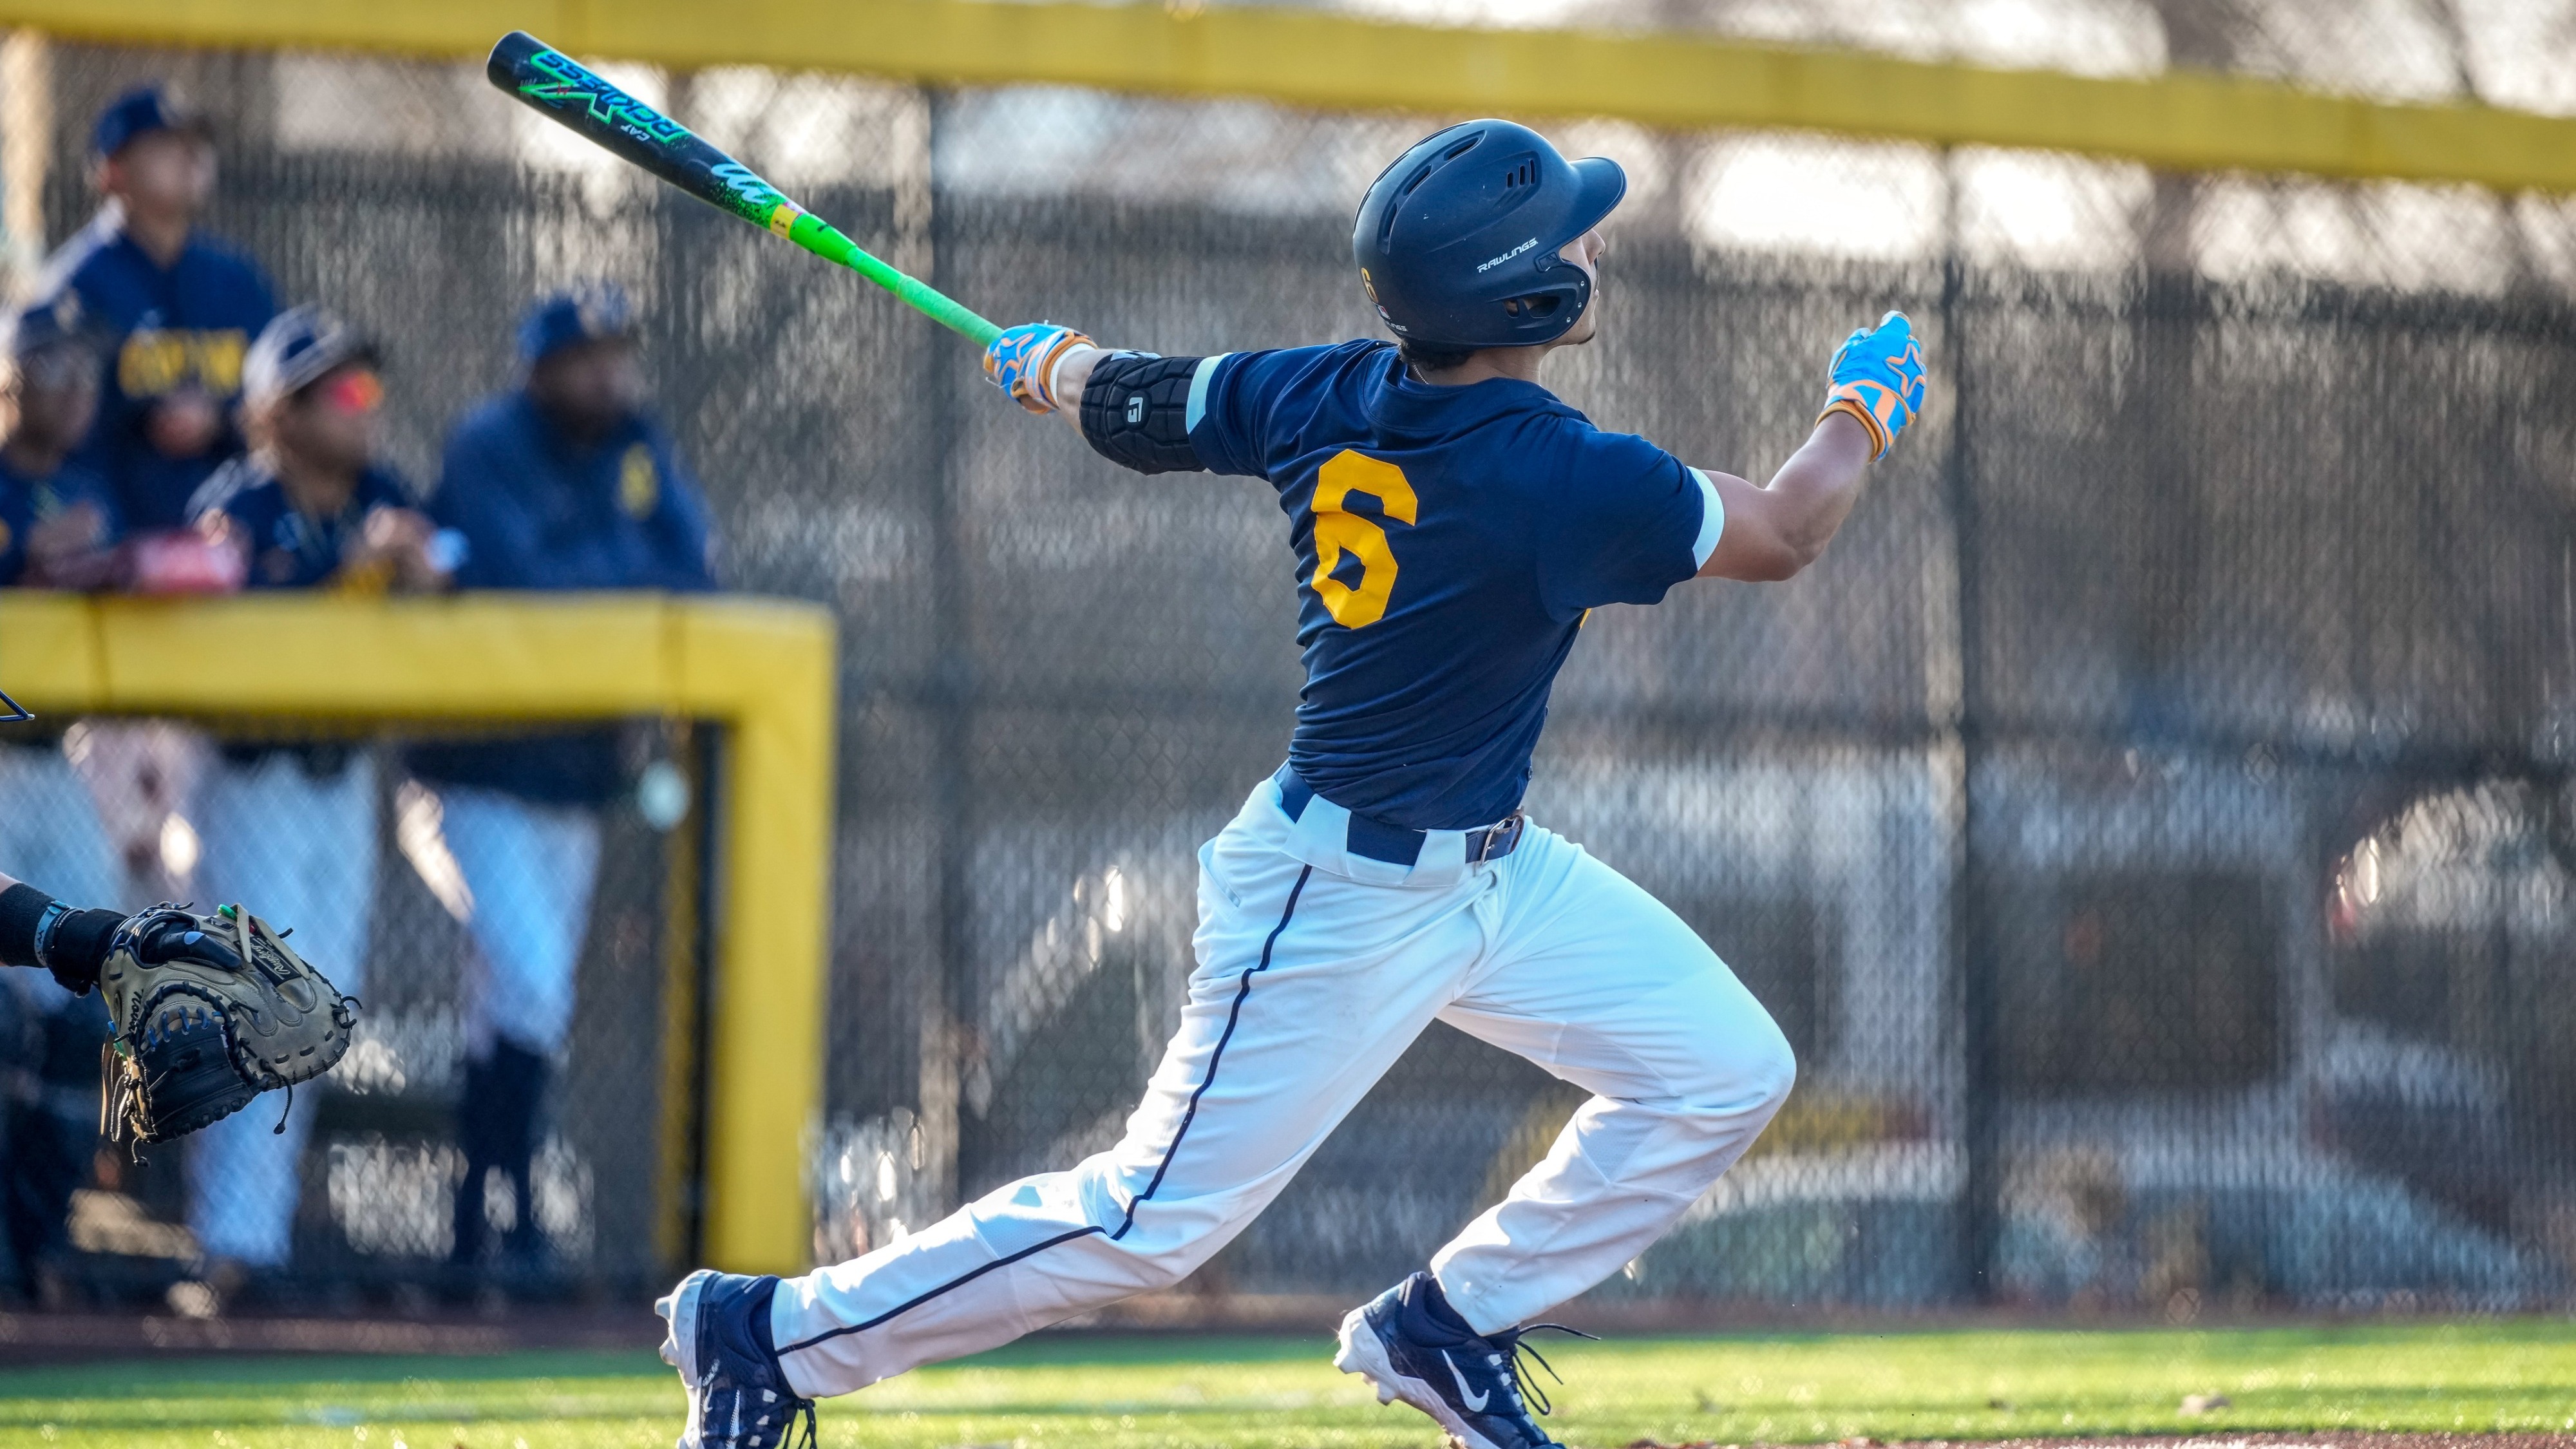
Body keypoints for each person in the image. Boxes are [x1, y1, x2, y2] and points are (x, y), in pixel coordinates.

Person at [650, 120, 1927, 1449]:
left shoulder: (1325, 391)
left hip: (1495, 870)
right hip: (1337, 899)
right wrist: (1861, 410)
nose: (1589, 240)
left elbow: (1145, 406)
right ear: (1524, 293)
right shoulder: (1554, 475)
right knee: (1148, 1224)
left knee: (1721, 1069)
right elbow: (1785, 530)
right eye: (1570, 233)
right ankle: (767, 1338)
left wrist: (1057, 371)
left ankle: (1447, 1325)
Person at [407, 282, 715, 1279]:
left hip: (575, 777)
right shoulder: (491, 440)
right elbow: (516, 581)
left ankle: (483, 1221)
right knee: (531, 982)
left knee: (520, 1002)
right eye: (585, 356)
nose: (607, 372)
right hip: (473, 775)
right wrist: (626, 575)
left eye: (617, 351)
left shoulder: (635, 442)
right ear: (540, 366)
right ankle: (510, 1220)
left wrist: (610, 570)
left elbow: (693, 568)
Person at [178, 305, 448, 1293]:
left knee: (321, 1009)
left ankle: (259, 1241)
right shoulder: (239, 502)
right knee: (251, 1005)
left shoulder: (382, 491)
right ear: (276, 412)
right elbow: (226, 609)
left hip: (342, 779)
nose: (361, 408)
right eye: (337, 390)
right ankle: (227, 1241)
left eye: (366, 388)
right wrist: (356, 568)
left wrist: (424, 570)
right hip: (251, 779)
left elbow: (454, 581)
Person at [0, 296, 122, 1306]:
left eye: (82, 370)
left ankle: (46, 1231)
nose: (73, 389)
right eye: (51, 368)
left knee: (93, 988)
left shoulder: (95, 480)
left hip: (58, 749)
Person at [23, 84, 278, 535]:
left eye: (196, 142)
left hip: (230, 544)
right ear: (111, 172)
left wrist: (218, 419)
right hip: (109, 543)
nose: (190, 156)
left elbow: (282, 401)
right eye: (164, 144)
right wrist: (140, 414)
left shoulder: (237, 280)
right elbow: (41, 431)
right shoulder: (75, 286)